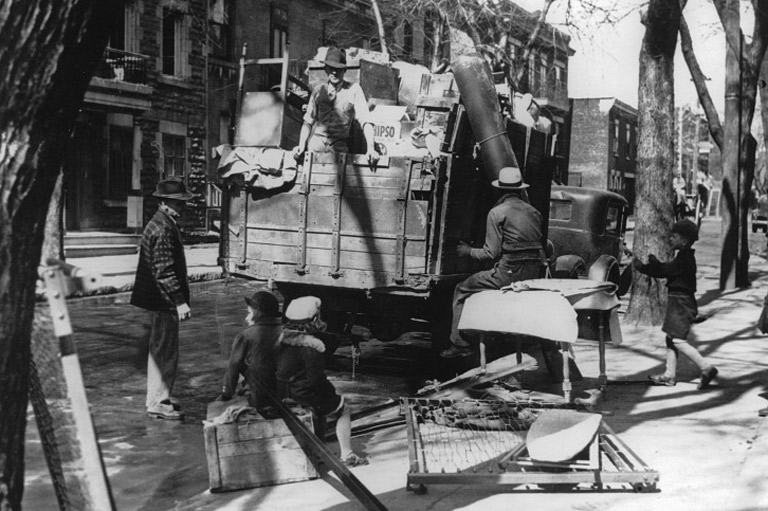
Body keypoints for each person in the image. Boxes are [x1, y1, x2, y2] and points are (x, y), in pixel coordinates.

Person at [440, 166, 545, 358]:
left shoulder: (497, 212)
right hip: (532, 273)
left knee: (462, 289)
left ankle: (459, 343)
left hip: (508, 272)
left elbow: (490, 253)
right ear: (520, 189)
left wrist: (467, 251)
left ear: (499, 190)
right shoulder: (534, 212)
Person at [131, 178, 197, 420]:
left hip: (158, 298)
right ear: (165, 203)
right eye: (179, 203)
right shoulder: (162, 228)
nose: (183, 207)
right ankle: (158, 401)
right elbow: (164, 270)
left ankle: (160, 396)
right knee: (164, 351)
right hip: (163, 300)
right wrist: (179, 301)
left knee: (160, 349)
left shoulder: (162, 223)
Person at [275, 296, 369, 467]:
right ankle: (347, 454)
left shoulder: (282, 343)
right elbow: (316, 381)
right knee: (343, 408)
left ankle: (319, 448)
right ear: (314, 320)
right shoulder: (311, 349)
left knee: (323, 403)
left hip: (283, 393)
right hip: (302, 395)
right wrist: (333, 395)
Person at [632, 218, 718, 389]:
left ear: (684, 241)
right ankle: (669, 375)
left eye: (674, 236)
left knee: (678, 340)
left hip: (681, 303)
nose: (670, 238)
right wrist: (654, 263)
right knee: (671, 337)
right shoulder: (684, 257)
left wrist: (642, 267)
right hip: (680, 301)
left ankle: (706, 367)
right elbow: (668, 269)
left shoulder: (684, 259)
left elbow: (665, 271)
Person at [292, 47, 379, 164]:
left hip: (339, 147)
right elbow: (308, 122)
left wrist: (371, 148)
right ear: (326, 69)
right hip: (316, 145)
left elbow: (366, 121)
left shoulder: (354, 90)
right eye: (331, 68)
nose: (334, 72)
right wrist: (301, 145)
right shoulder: (318, 90)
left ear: (345, 71)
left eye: (338, 69)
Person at [217, 290, 282, 413]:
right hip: (284, 394)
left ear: (257, 311)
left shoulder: (245, 336)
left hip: (258, 396)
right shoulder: (286, 333)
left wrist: (226, 393)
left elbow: (233, 367)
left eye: (249, 312)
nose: (247, 317)